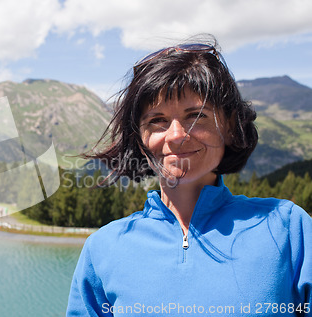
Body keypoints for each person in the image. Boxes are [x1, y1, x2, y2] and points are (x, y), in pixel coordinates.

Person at [66, 36, 311, 317]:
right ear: (140, 139)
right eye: (157, 120)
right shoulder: (103, 249)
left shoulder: (289, 229)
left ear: (230, 126)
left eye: (196, 116)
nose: (176, 136)